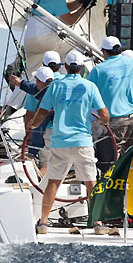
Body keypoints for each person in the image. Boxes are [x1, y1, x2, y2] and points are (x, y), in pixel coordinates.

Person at [29, 50, 109, 234]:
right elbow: (104, 115)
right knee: (91, 183)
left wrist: (33, 125)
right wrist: (101, 122)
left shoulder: (55, 86)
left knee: (54, 182)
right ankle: (97, 223)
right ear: (81, 68)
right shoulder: (90, 87)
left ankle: (43, 223)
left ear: (65, 67)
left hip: (59, 142)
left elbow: (41, 113)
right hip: (82, 142)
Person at [88, 36, 133, 154]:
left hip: (113, 124)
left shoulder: (98, 70)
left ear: (104, 52)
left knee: (110, 161)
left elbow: (85, 93)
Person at [10, 51, 65, 174]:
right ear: (60, 66)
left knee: (48, 166)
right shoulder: (67, 83)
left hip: (48, 134)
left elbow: (31, 113)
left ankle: (44, 191)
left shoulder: (41, 89)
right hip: (69, 133)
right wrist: (20, 84)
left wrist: (28, 138)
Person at [24, 0, 97, 74]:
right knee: (80, 40)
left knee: (32, 73)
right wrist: (85, 7)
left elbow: (62, 8)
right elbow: (70, 20)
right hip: (44, 39)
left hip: (29, 40)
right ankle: (67, 77)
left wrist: (80, 1)